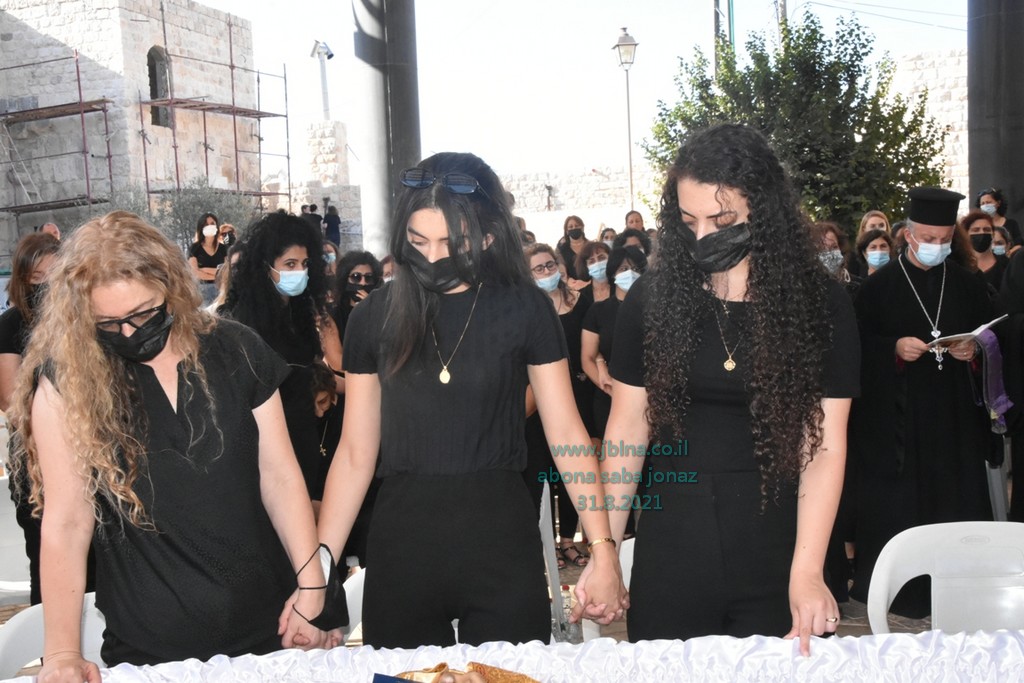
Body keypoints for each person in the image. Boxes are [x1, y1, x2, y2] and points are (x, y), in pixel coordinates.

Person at [317, 152, 626, 649]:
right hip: (401, 551)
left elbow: (566, 434)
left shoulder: (525, 308)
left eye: (452, 243)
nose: (433, 257)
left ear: (486, 238)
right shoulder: (373, 318)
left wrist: (604, 548)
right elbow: (355, 453)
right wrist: (318, 574)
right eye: (418, 242)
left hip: (502, 544)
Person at [6, 212, 337, 676]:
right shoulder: (69, 381)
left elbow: (279, 476)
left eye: (143, 313)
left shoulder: (236, 348)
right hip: (149, 647)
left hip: (270, 629)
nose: (129, 333)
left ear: (171, 287)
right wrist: (62, 654)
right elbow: (66, 522)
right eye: (108, 324)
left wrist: (313, 589)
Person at [601, 124, 858, 654]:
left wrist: (808, 570)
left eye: (721, 221)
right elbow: (627, 429)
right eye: (687, 220)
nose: (702, 237)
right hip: (674, 540)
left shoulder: (819, 304)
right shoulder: (652, 298)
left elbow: (825, 445)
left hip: (778, 538)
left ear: (763, 211)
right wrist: (604, 553)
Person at [849, 187, 995, 617]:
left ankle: (962, 591)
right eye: (928, 238)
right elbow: (857, 348)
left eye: (944, 239)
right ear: (908, 235)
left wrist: (975, 350)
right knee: (901, 503)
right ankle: (904, 593)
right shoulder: (878, 289)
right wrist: (893, 348)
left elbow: (992, 337)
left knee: (956, 499)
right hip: (899, 420)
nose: (936, 246)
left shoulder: (967, 284)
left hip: (954, 418)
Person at [220, 213, 338, 497]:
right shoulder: (243, 323)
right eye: (290, 264)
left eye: (305, 264)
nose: (299, 271)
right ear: (266, 266)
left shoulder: (299, 313)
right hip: (268, 452)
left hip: (303, 435)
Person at [524, 243, 594, 568]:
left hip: (577, 396)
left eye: (550, 265)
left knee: (572, 470)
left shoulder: (581, 303)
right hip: (538, 402)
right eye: (539, 268)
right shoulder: (528, 310)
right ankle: (546, 544)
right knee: (541, 473)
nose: (547, 272)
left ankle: (568, 540)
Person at [1, 233, 60, 606]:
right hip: (35, 462)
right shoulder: (10, 326)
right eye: (38, 279)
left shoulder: (82, 322)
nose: (47, 287)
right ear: (23, 280)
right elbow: (10, 399)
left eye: (55, 276)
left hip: (88, 457)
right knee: (45, 560)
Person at [962, 209, 1009, 294]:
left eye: (987, 230)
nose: (982, 233)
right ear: (966, 234)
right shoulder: (959, 265)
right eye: (976, 230)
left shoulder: (1006, 264)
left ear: (993, 234)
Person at [188, 212, 227, 305]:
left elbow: (226, 272)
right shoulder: (194, 248)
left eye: (212, 223)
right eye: (206, 224)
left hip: (221, 291)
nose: (209, 226)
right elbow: (195, 274)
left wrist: (204, 270)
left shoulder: (224, 248)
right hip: (201, 292)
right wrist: (218, 275)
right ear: (201, 227)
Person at [556, 215, 589, 284]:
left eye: (577, 226)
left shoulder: (591, 246)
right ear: (567, 231)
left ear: (582, 228)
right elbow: (561, 267)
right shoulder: (562, 249)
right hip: (571, 286)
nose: (574, 228)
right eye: (570, 227)